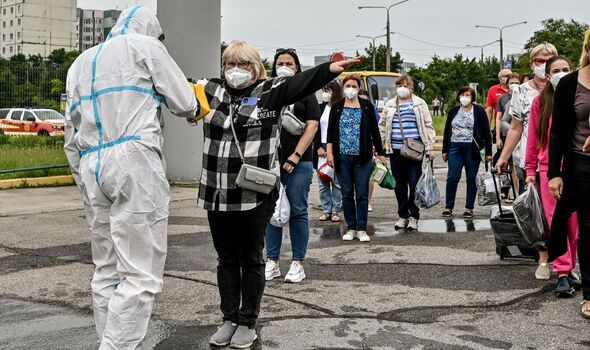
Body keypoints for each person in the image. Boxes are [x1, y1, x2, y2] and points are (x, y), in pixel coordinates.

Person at [189, 41, 361, 347]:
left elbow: (299, 82)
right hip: (216, 191)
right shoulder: (211, 91)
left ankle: (247, 321)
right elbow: (174, 86)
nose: (236, 70)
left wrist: (327, 71)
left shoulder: (269, 91)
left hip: (254, 193)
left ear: (255, 68)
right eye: (230, 64)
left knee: (250, 257)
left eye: (243, 65)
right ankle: (228, 317)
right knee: (226, 258)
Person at [63, 7, 201, 349]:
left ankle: (109, 339)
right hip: (133, 159)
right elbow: (184, 102)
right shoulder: (146, 46)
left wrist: (84, 180)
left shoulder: (80, 62)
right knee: (140, 273)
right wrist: (198, 104)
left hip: (91, 163)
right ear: (151, 29)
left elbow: (70, 134)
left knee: (106, 269)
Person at [496, 42, 558, 280]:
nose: (543, 65)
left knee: (563, 212)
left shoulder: (564, 85)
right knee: (536, 212)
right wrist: (503, 157)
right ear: (532, 64)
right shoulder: (521, 92)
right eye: (539, 61)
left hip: (560, 159)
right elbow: (515, 128)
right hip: (529, 160)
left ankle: (564, 257)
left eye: (548, 60)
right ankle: (543, 257)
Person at [265, 48, 320, 284]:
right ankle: (272, 261)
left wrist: (295, 156)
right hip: (270, 163)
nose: (284, 66)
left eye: (289, 62)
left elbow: (312, 126)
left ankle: (298, 262)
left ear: (297, 67)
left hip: (299, 162)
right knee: (271, 212)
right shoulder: (268, 91)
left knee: (298, 210)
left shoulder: (306, 92)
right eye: (280, 62)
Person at [525, 55, 579, 297]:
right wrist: (530, 170)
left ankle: (572, 267)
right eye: (555, 70)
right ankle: (563, 272)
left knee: (576, 225)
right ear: (546, 75)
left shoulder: (580, 95)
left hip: (577, 167)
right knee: (556, 221)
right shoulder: (541, 101)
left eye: (566, 69)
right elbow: (534, 139)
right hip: (549, 170)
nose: (561, 73)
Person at [548, 29, 590, 319]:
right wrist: (554, 173)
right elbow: (558, 133)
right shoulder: (569, 83)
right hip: (581, 165)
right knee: (588, 229)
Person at [326, 74, 386, 242]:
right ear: (343, 88)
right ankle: (350, 228)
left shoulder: (367, 106)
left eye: (354, 85)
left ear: (358, 88)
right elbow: (330, 132)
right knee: (346, 194)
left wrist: (380, 153)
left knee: (361, 194)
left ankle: (361, 229)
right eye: (348, 85)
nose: (351, 88)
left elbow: (375, 132)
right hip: (342, 158)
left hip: (363, 158)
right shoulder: (337, 107)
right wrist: (330, 153)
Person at [379, 74, 436, 230]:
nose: (402, 88)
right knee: (399, 185)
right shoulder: (390, 104)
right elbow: (382, 126)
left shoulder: (419, 103)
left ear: (411, 88)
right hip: (395, 151)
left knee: (414, 183)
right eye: (399, 85)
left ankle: (413, 215)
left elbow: (428, 125)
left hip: (414, 151)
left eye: (405, 85)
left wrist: (430, 147)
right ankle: (402, 215)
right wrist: (379, 148)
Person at [441, 86, 492, 218]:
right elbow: (447, 132)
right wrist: (445, 150)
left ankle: (469, 207)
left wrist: (488, 152)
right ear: (458, 96)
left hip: (472, 148)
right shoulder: (453, 112)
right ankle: (448, 207)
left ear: (472, 97)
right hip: (455, 147)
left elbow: (487, 132)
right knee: (452, 177)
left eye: (468, 95)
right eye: (463, 94)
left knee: (471, 177)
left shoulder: (479, 111)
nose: (465, 97)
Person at [313, 81, 343, 222]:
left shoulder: (341, 108)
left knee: (336, 183)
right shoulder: (319, 108)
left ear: (335, 92)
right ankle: (326, 210)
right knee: (323, 182)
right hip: (321, 148)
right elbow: (314, 129)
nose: (325, 93)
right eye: (324, 90)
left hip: (336, 148)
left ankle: (335, 210)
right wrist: (318, 146)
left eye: (328, 90)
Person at [495, 73, 522, 198]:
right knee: (509, 165)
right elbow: (500, 118)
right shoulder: (504, 99)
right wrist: (498, 136)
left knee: (519, 167)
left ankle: (518, 193)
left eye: (517, 82)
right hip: (510, 135)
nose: (514, 85)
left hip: (525, 138)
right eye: (512, 83)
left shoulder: (524, 95)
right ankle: (510, 192)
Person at [358, 88, 379, 212]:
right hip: (353, 147)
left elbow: (377, 130)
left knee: (369, 177)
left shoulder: (371, 110)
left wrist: (377, 149)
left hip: (369, 147)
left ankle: (367, 202)